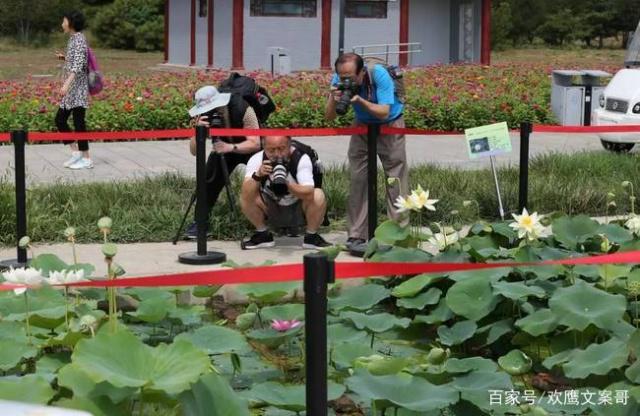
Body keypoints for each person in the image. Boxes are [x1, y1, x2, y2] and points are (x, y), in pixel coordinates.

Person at [325, 53, 408, 251]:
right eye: (342, 76)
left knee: (395, 179)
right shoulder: (339, 79)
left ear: (361, 72)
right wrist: (333, 98)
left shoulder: (378, 74)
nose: (346, 80)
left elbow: (384, 111)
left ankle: (397, 234)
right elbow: (329, 117)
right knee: (358, 179)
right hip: (362, 125)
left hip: (390, 124)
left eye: (351, 77)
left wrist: (359, 101)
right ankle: (356, 235)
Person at [185, 85, 261, 238]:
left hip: (249, 148)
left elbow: (255, 143)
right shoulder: (202, 117)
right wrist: (198, 132)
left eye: (215, 108)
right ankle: (201, 222)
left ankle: (276, 219)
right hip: (223, 148)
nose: (213, 112)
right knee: (208, 178)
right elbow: (194, 151)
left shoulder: (243, 108)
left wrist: (231, 147)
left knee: (265, 177)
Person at [240, 135, 331, 250]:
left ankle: (311, 237)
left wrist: (287, 185)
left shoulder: (300, 158)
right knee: (248, 193)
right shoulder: (257, 159)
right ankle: (262, 235)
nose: (277, 154)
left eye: (281, 148)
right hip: (270, 208)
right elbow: (245, 193)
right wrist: (258, 175)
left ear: (289, 146)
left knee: (318, 194)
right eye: (271, 150)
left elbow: (309, 192)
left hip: (298, 209)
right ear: (264, 147)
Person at [55, 10, 93, 170]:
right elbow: (78, 60)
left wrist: (66, 85)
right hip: (73, 89)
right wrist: (64, 58)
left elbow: (78, 67)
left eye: (64, 21)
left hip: (77, 89)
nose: (62, 24)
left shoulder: (78, 40)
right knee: (61, 120)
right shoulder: (75, 39)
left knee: (77, 122)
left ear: (71, 23)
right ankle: (76, 153)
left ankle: (86, 159)